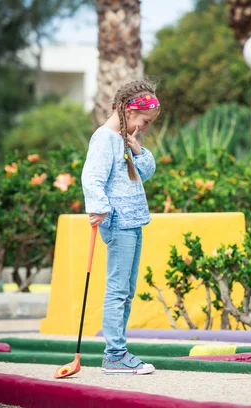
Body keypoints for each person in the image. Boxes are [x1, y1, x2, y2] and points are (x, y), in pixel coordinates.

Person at [82, 79, 160, 375]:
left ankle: (118, 351)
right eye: (144, 120)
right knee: (117, 289)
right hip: (118, 224)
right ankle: (114, 354)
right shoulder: (104, 138)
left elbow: (147, 171)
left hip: (134, 222)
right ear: (127, 110)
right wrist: (98, 207)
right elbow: (91, 177)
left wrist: (136, 144)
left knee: (126, 290)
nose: (145, 126)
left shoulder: (124, 138)